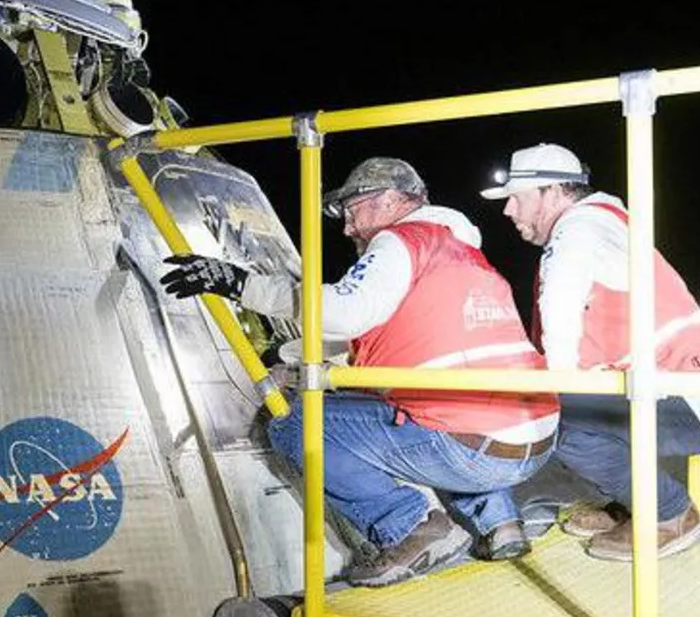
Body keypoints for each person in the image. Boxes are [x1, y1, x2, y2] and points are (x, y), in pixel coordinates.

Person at [160, 157, 559, 587]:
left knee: (295, 422)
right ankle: (501, 525)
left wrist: (240, 284)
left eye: (353, 211)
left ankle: (408, 527)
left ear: (389, 200)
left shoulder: (401, 241)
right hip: (533, 438)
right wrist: (292, 355)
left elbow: (347, 312)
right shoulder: (459, 252)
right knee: (449, 409)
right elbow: (377, 337)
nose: (348, 228)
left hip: (470, 447)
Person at [481, 143, 700, 560]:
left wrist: (552, 389)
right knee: (575, 413)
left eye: (517, 197)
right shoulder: (603, 223)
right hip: (690, 380)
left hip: (690, 391)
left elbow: (560, 308)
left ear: (552, 192)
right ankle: (633, 504)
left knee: (559, 425)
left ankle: (670, 514)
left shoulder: (578, 231)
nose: (508, 210)